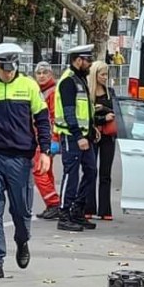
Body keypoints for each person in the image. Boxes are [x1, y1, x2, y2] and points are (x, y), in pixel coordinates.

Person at [0, 43, 53, 281]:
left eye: (12, 68)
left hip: (20, 159)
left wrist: (45, 150)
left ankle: (22, 240)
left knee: (21, 211)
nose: (9, 72)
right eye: (4, 68)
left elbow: (43, 120)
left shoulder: (28, 86)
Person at [54, 44, 98, 232]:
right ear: (78, 60)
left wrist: (92, 129)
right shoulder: (68, 82)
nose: (90, 64)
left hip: (83, 136)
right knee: (71, 175)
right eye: (87, 60)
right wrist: (79, 135)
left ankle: (77, 210)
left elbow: (85, 110)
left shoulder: (80, 79)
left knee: (91, 172)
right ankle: (64, 214)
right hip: (71, 136)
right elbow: (69, 112)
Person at [32, 62, 64, 220]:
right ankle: (52, 204)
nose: (42, 76)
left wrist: (55, 138)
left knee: (39, 170)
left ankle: (53, 203)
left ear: (51, 75)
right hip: (39, 136)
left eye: (45, 73)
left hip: (46, 138)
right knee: (46, 171)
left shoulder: (52, 92)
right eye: (39, 73)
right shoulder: (38, 91)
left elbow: (55, 116)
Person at [87, 60, 118, 221]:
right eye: (102, 74)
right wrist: (102, 117)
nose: (105, 77)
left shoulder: (110, 92)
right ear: (95, 75)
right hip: (93, 135)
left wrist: (107, 114)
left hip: (108, 136)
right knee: (91, 171)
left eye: (107, 74)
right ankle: (89, 208)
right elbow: (85, 116)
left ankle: (105, 209)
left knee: (105, 173)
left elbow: (117, 111)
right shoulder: (88, 93)